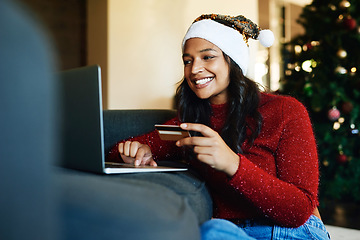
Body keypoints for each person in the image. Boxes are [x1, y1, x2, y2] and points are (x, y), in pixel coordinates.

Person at [107, 14, 331, 239]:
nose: (194, 69)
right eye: (187, 60)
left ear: (232, 60)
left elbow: (300, 210)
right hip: (231, 232)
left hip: (293, 231)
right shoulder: (190, 124)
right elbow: (115, 151)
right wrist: (134, 153)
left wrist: (232, 164)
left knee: (212, 232)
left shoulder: (285, 110)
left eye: (207, 57)